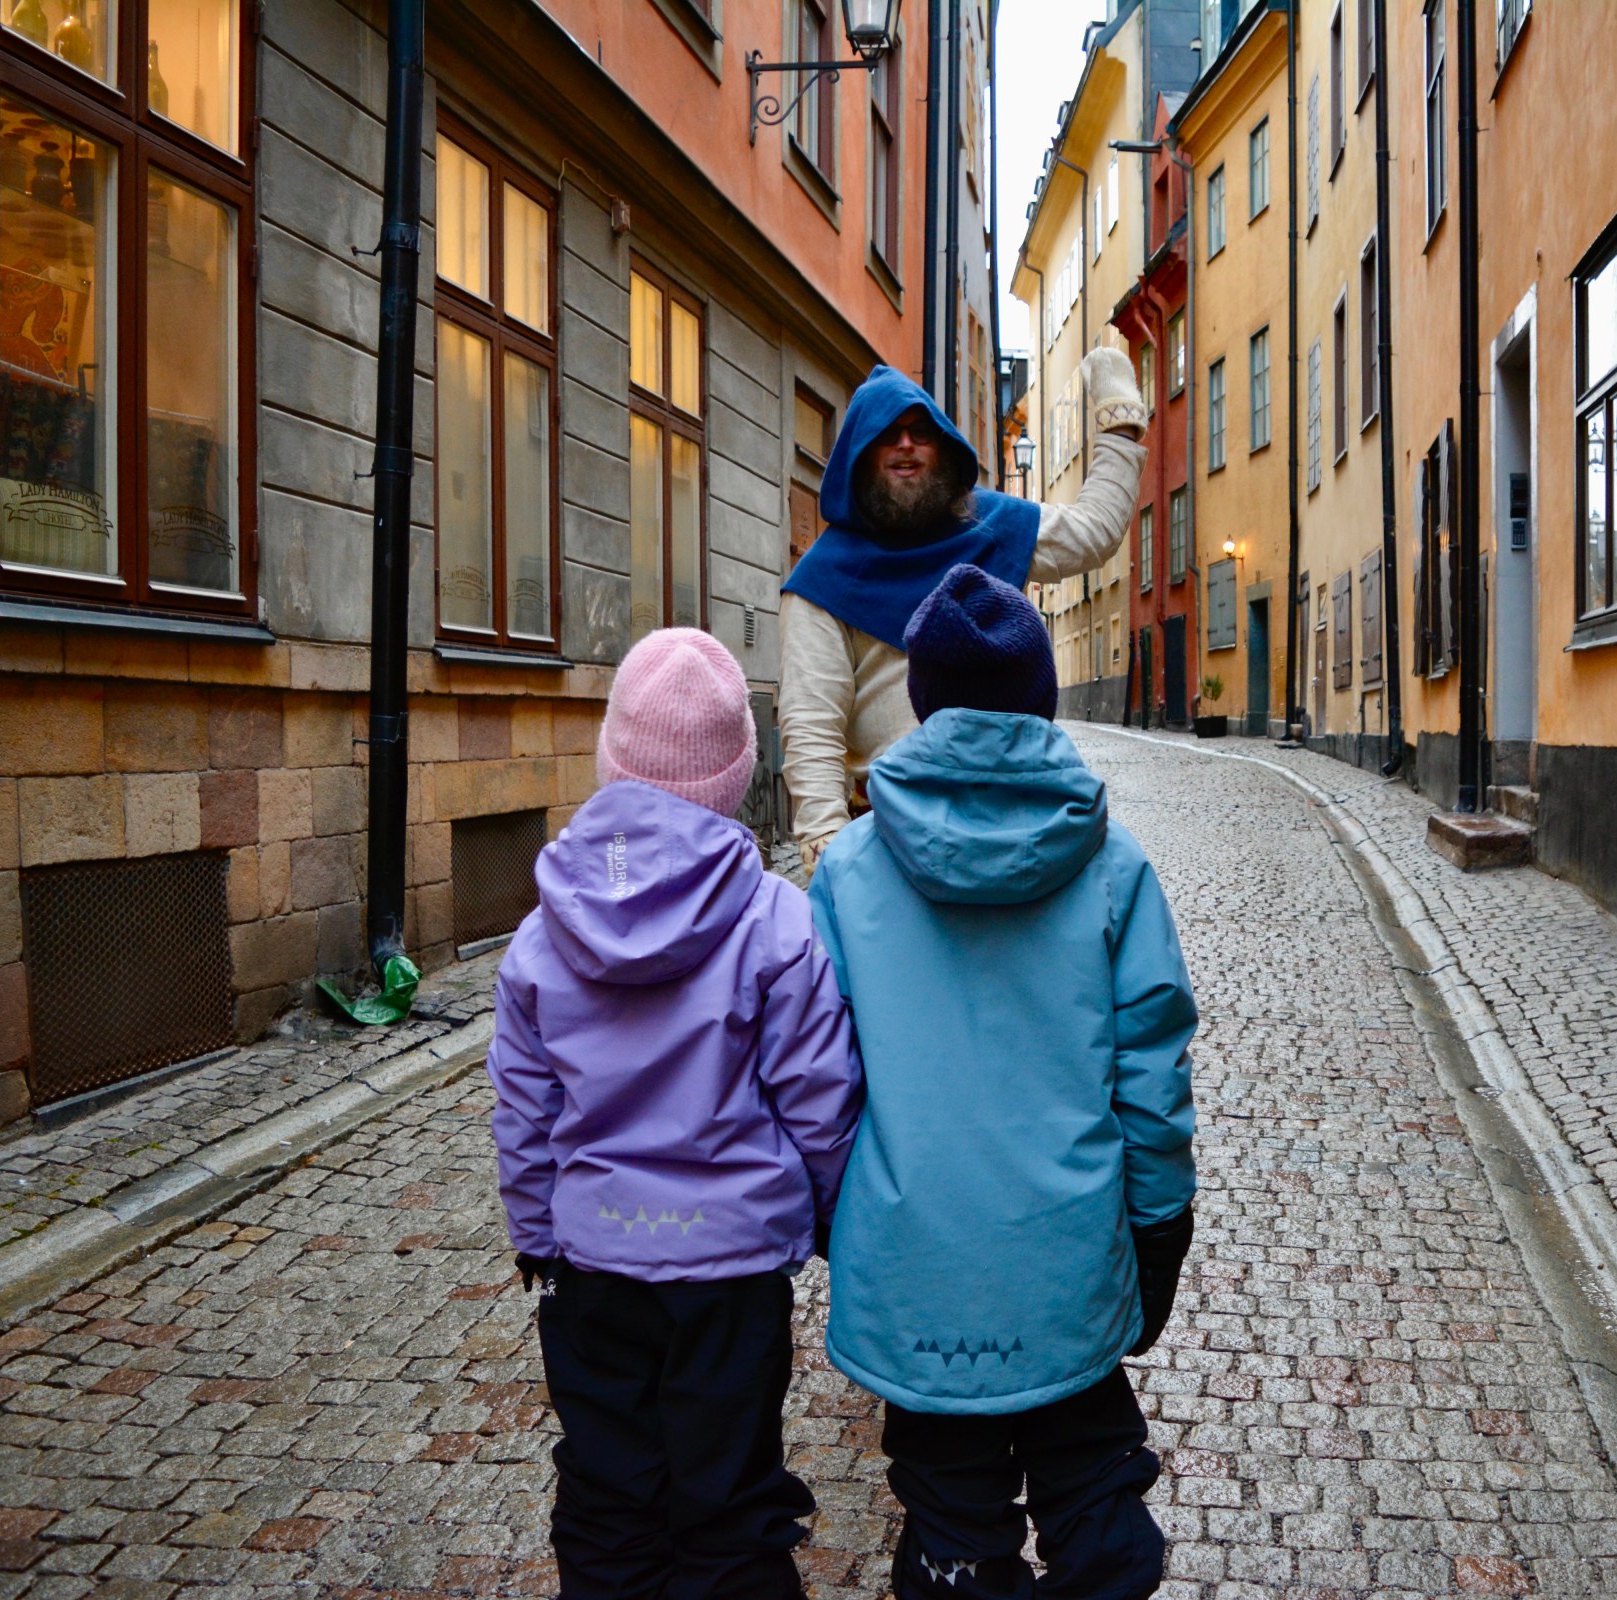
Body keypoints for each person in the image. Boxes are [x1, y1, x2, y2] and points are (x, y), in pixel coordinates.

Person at [809, 564, 1200, 1600]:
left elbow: (817, 1086)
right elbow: (1152, 1081)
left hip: (919, 1268)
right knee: (1096, 1497)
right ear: (1044, 700)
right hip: (1066, 1262)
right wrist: (1159, 1229)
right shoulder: (1113, 869)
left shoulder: (848, 875)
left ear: (923, 702)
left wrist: (832, 1221)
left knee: (951, 1528)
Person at [486, 627, 863, 1600]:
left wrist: (536, 1230)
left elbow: (524, 1109)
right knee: (732, 1502)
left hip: (593, 1269)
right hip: (732, 1278)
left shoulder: (544, 929)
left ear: (614, 757)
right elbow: (821, 1102)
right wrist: (829, 1220)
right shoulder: (776, 922)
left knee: (610, 1501)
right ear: (738, 774)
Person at [780, 350, 1147, 874]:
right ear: (859, 455)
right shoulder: (822, 582)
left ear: (945, 450)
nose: (904, 444)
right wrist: (830, 862)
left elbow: (1092, 533)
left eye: (919, 432)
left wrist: (1119, 419)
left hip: (1014, 823)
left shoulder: (988, 526)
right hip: (890, 842)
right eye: (887, 433)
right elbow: (812, 728)